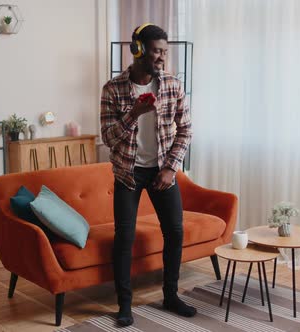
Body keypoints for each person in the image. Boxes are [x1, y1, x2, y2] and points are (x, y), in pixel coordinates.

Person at [100, 23, 195, 327]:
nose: (161, 58)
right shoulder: (112, 89)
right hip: (128, 173)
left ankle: (170, 295)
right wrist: (133, 115)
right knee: (124, 238)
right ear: (138, 50)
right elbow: (108, 138)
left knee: (175, 232)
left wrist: (170, 168)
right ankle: (124, 306)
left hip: (162, 171)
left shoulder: (172, 84)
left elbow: (186, 129)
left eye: (165, 52)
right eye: (156, 51)